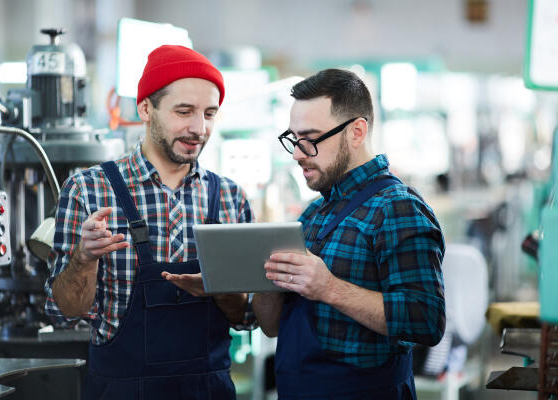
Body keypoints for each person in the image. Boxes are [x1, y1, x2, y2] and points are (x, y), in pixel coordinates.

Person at [44, 45, 254, 400]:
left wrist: (222, 288)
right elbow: (65, 311)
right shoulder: (89, 189)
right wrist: (84, 259)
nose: (198, 128)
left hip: (209, 389)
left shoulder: (230, 198)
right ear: (146, 109)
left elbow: (245, 317)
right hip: (120, 390)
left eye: (209, 113)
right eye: (184, 111)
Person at [253, 69, 445, 400]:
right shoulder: (312, 214)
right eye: (293, 139)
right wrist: (262, 283)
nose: (298, 153)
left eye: (310, 138)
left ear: (356, 132)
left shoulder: (397, 208)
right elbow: (272, 327)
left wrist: (328, 288)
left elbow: (426, 321)